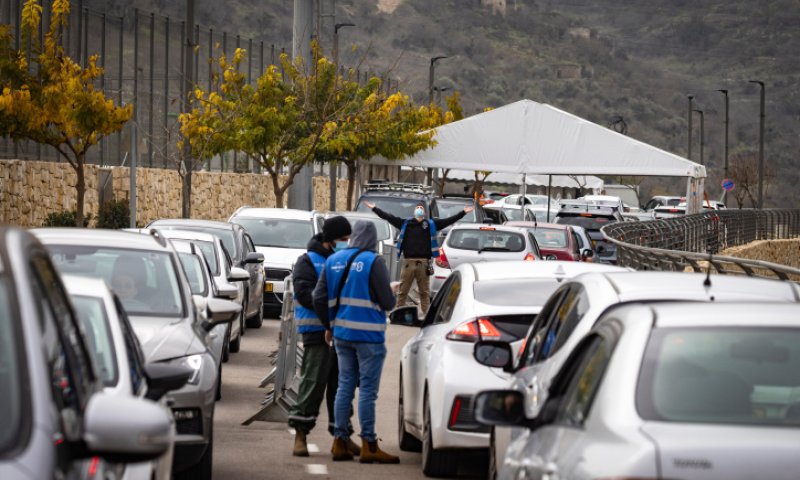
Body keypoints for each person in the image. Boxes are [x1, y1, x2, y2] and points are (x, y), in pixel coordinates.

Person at [312, 221, 399, 464]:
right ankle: (369, 444)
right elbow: (387, 302)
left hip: (341, 335)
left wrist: (329, 325)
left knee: (344, 386)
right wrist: (391, 292)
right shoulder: (374, 261)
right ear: (372, 239)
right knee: (368, 392)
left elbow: (318, 296)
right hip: (369, 336)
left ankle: (339, 442)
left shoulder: (333, 261)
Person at [287, 216, 360, 457]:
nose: (347, 242)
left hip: (343, 333)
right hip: (317, 333)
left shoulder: (346, 260)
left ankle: (342, 435)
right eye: (342, 239)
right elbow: (305, 294)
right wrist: (332, 305)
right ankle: (300, 435)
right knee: (313, 383)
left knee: (342, 388)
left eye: (348, 238)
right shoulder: (308, 261)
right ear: (330, 240)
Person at [364, 200, 473, 313]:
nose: (419, 209)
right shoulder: (406, 224)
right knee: (402, 291)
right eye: (418, 208)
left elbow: (449, 220)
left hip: (423, 263)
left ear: (424, 212)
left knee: (424, 292)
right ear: (414, 211)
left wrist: (463, 212)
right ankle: (398, 314)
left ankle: (426, 315)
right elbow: (388, 217)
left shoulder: (431, 224)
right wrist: (374, 208)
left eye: (421, 208)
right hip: (408, 263)